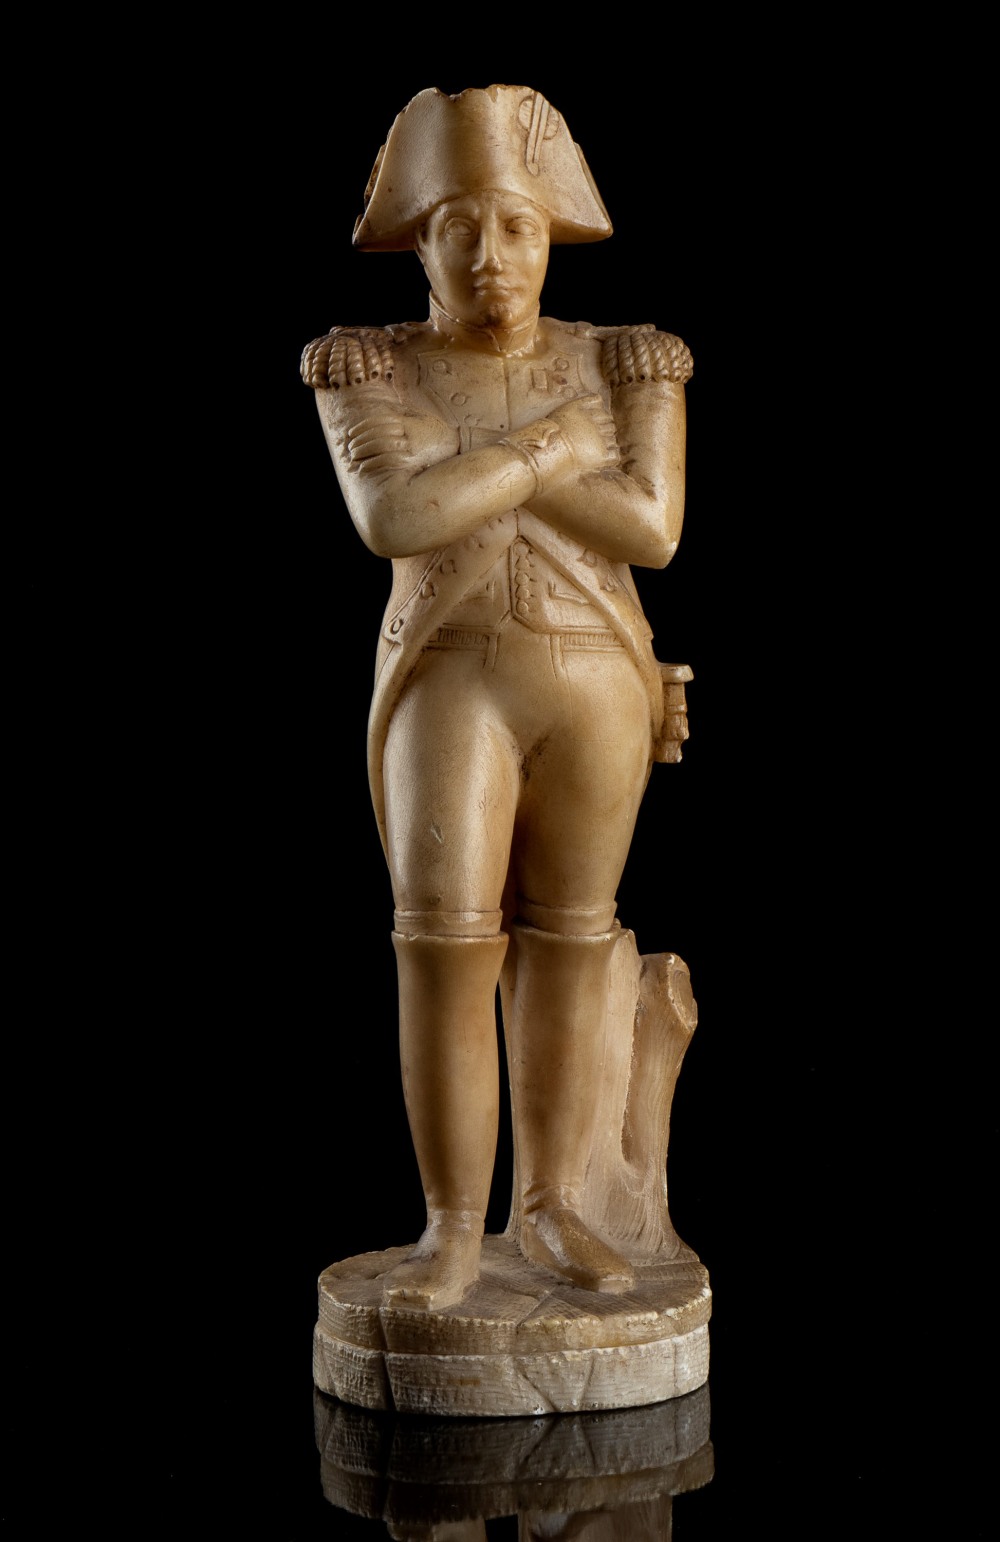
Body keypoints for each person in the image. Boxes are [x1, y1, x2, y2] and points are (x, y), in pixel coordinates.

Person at [302, 86, 692, 1310]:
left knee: (573, 936)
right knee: (444, 943)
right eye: (458, 228)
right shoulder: (370, 364)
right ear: (417, 243)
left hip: (595, 678)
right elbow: (396, 517)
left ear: (551, 234)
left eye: (516, 226)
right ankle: (450, 1229)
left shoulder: (625, 359)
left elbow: (651, 529)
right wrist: (551, 451)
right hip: (449, 679)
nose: (490, 256)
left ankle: (554, 1206)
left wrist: (483, 472)